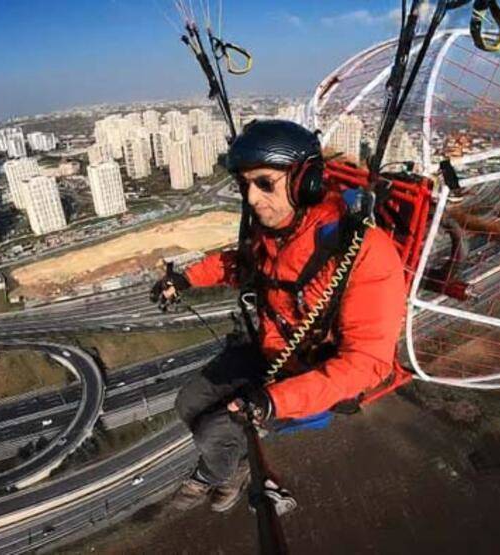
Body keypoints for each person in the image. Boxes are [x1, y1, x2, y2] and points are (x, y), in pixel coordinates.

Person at [150, 119, 409, 513]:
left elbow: (367, 363)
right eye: (246, 185)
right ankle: (231, 466)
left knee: (213, 430)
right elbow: (242, 265)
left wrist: (273, 401)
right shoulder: (275, 232)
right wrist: (184, 279)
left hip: (310, 381)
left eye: (264, 183)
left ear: (304, 181)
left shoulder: (364, 250)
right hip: (271, 352)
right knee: (187, 403)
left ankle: (217, 476)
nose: (252, 198)